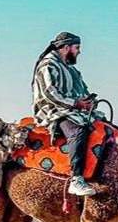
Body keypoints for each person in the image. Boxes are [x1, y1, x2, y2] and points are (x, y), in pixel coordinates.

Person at [31, 31, 107, 197]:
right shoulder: (48, 65)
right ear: (66, 48)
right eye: (77, 47)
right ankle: (76, 179)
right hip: (54, 110)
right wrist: (76, 103)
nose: (79, 51)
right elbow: (50, 93)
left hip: (73, 108)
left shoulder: (72, 70)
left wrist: (88, 101)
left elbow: (82, 90)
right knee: (78, 130)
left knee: (106, 126)